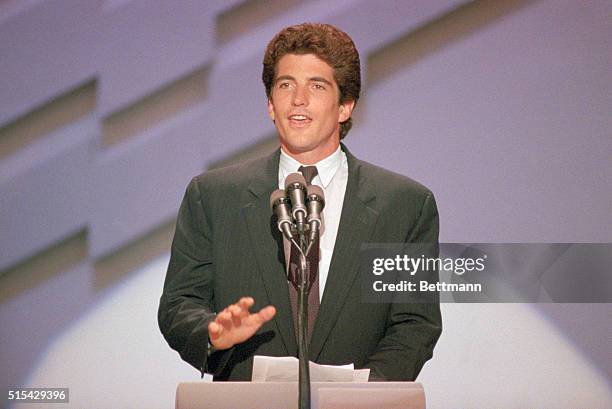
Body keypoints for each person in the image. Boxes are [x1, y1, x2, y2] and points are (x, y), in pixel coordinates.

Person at [158, 23, 442, 382]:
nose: (298, 99)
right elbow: (178, 305)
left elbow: (415, 324)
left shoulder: (404, 206)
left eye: (317, 86)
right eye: (285, 84)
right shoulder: (214, 196)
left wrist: (365, 392)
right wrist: (212, 334)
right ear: (270, 106)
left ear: (345, 106)